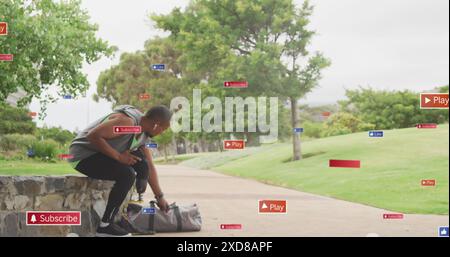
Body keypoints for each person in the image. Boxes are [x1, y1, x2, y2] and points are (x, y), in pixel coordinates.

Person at [68, 105, 172, 237]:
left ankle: (129, 205)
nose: (162, 132)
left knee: (143, 166)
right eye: (164, 129)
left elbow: (150, 166)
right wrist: (119, 157)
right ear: (156, 125)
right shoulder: (128, 123)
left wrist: (160, 197)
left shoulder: (143, 135)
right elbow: (93, 136)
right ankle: (105, 227)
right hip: (83, 156)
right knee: (126, 174)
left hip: (100, 154)